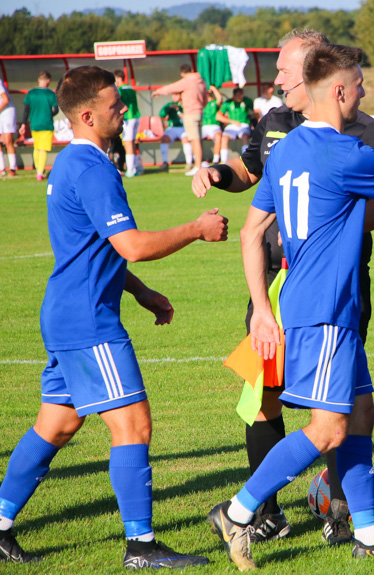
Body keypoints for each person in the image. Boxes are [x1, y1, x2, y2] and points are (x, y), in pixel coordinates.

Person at [205, 42, 374, 570]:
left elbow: (249, 231)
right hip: (326, 310)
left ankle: (369, 533)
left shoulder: (283, 150)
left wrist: (263, 309)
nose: (363, 92)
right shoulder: (346, 151)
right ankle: (237, 513)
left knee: (356, 417)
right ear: (337, 90)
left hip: (320, 305)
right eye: (358, 84)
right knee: (329, 428)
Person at [0, 65, 228, 568]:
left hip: (65, 311)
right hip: (87, 320)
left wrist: (141, 293)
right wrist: (196, 228)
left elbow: (94, 249)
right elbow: (131, 245)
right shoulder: (91, 168)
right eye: (114, 106)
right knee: (133, 425)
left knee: (55, 427)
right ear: (87, 115)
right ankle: (141, 547)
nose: (123, 112)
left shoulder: (67, 164)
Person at [193, 29, 374, 548]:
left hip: (338, 288)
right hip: (281, 288)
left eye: (285, 69)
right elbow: (249, 172)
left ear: (317, 73)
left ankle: (358, 527)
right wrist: (220, 172)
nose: (279, 78)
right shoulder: (276, 125)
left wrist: (332, 222)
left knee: (354, 410)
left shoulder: (359, 129)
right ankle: (251, 511)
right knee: (276, 402)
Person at [153, 64, 207, 177]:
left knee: (194, 140)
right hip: (199, 112)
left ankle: (197, 166)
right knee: (197, 140)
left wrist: (158, 91)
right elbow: (205, 99)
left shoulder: (187, 81)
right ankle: (198, 164)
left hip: (190, 113)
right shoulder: (201, 82)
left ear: (182, 73)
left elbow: (171, 88)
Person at [18, 71, 57, 182]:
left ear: (39, 79)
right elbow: (55, 110)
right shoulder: (50, 94)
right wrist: (49, 115)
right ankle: (40, 173)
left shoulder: (31, 93)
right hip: (46, 124)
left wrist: (23, 124)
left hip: (34, 124)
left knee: (37, 147)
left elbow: (26, 110)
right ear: (48, 80)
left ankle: (37, 169)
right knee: (43, 149)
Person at [114, 70, 143, 178]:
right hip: (136, 116)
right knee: (132, 142)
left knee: (128, 143)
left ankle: (130, 170)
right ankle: (135, 167)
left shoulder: (120, 90)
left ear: (119, 78)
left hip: (128, 118)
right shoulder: (131, 88)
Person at [216, 87, 253, 163]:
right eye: (238, 96)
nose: (240, 98)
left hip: (244, 125)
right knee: (224, 138)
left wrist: (252, 118)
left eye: (241, 95)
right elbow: (218, 117)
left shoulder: (247, 101)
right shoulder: (228, 103)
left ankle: (246, 159)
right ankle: (224, 161)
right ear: (234, 95)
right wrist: (232, 121)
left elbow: (255, 112)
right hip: (231, 125)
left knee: (244, 136)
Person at [158, 93, 192, 171]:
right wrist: (168, 108)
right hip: (172, 127)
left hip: (184, 127)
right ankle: (165, 162)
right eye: (173, 95)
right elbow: (161, 114)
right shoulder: (170, 105)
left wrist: (178, 110)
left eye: (176, 95)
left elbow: (187, 117)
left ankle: (189, 163)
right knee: (164, 139)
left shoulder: (186, 104)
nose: (174, 97)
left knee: (185, 139)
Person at [201, 86, 223, 164]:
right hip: (203, 126)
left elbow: (219, 98)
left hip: (214, 126)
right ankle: (196, 160)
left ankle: (216, 160)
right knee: (194, 138)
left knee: (218, 137)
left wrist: (212, 88)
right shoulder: (201, 103)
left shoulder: (214, 102)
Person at [0, 74, 17, 178]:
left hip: (7, 112)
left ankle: (13, 168)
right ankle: (2, 169)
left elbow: (5, 100)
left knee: (7, 140)